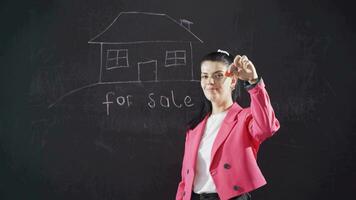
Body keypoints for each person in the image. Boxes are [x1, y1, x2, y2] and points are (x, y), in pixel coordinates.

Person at [175, 50, 280, 200]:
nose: (210, 81)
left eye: (218, 75)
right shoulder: (195, 128)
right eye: (205, 76)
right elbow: (185, 182)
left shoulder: (245, 117)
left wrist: (254, 82)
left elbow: (266, 127)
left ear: (233, 81)